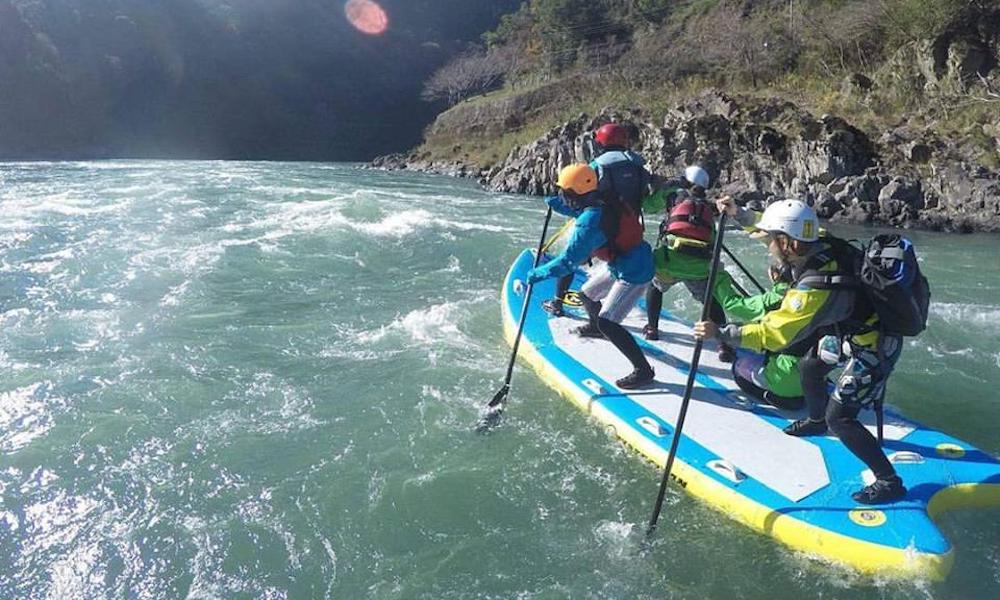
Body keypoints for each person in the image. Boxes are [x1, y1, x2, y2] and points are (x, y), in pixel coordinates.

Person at [694, 198, 907, 504]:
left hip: (873, 346)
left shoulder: (814, 288)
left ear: (788, 244)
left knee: (842, 418)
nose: (768, 247)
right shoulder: (818, 241)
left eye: (771, 242)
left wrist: (722, 333)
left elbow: (775, 334)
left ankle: (889, 481)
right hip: (850, 332)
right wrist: (738, 214)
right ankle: (816, 420)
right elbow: (776, 227)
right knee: (810, 366)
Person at [528, 163, 656, 389]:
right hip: (624, 259)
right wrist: (553, 202)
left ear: (575, 194)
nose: (562, 196)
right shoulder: (604, 197)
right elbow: (577, 207)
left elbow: (567, 263)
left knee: (610, 322)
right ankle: (595, 327)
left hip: (636, 270)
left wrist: (536, 274)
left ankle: (643, 370)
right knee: (587, 295)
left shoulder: (589, 224)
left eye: (564, 193)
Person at [542, 123, 651, 318]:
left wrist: (554, 201)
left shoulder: (597, 166)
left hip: (599, 223)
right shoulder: (639, 167)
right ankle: (610, 300)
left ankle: (557, 302)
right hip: (629, 225)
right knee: (618, 257)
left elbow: (579, 191)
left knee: (572, 257)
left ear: (600, 143)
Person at [642, 166, 735, 363]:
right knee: (711, 302)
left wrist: (655, 188)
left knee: (656, 287)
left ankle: (652, 329)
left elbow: (647, 206)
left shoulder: (672, 195)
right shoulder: (709, 207)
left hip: (669, 261)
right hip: (699, 267)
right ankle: (723, 344)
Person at [713, 261, 804, 409]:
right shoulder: (813, 300)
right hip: (813, 374)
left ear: (775, 275)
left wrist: (719, 275)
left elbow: (731, 303)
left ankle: (776, 397)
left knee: (738, 367)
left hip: (784, 377)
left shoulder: (770, 300)